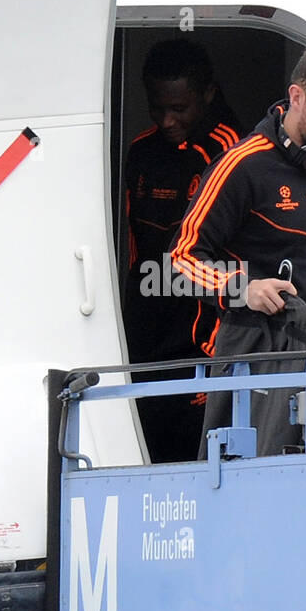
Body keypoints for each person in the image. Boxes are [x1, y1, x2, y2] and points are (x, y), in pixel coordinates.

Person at [169, 45, 306, 456]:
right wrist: (241, 288)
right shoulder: (243, 164)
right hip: (255, 354)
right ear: (297, 96)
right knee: (259, 487)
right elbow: (179, 261)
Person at [123, 38, 240, 462]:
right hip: (149, 324)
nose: (168, 119)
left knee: (196, 451)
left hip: (200, 333)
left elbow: (232, 251)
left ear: (207, 95)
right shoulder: (140, 151)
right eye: (159, 108)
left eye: (180, 108)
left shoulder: (227, 150)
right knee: (149, 442)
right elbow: (136, 249)